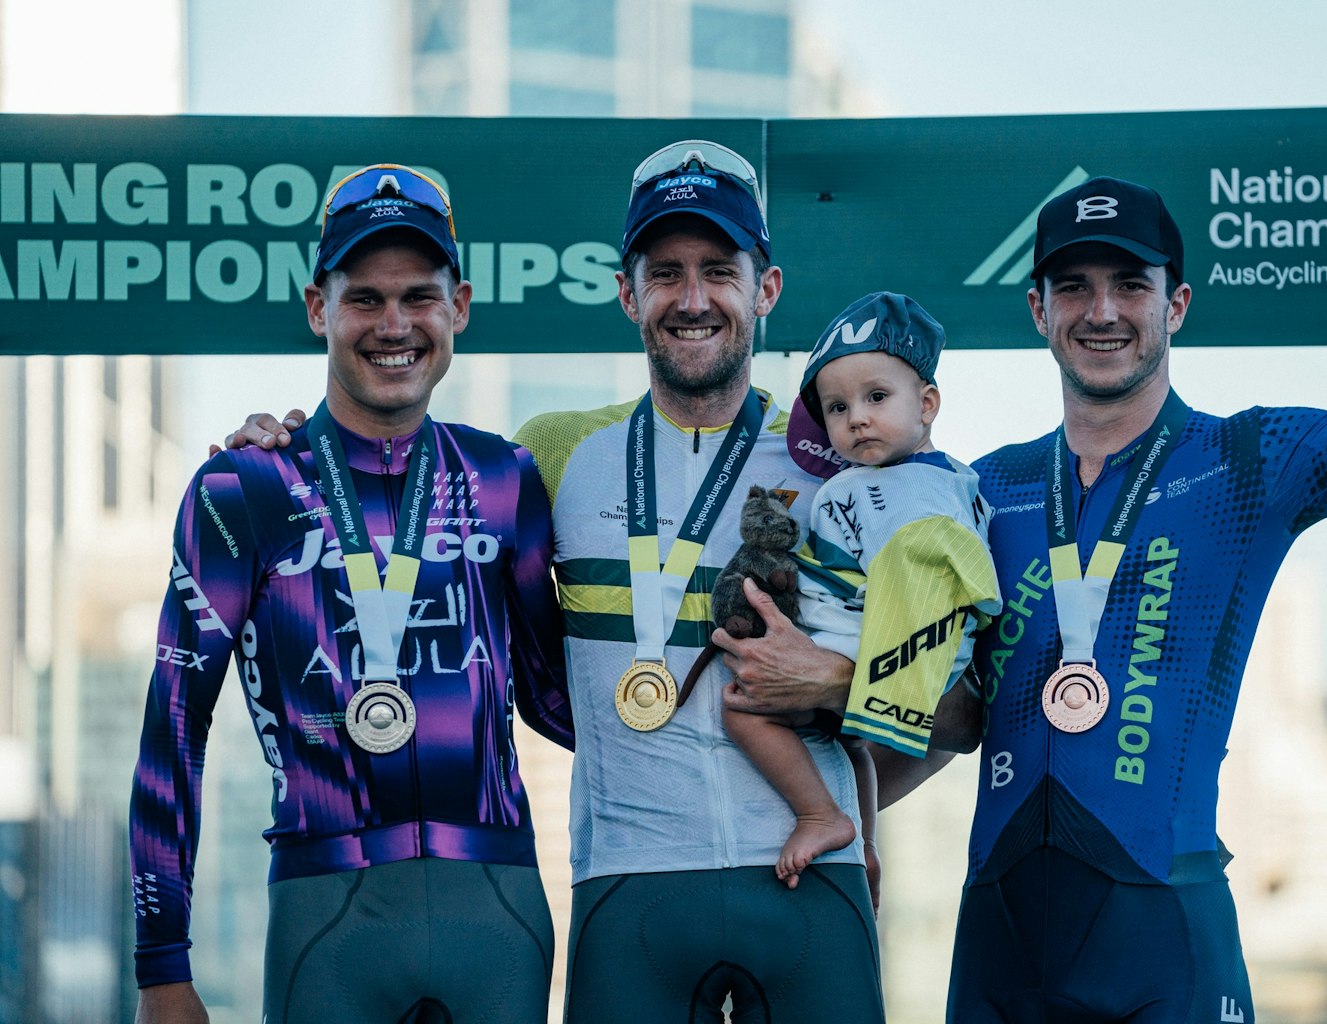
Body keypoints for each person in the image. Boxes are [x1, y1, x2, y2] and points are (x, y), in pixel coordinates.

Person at [223, 142, 888, 1023]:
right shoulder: (554, 454)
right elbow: (418, 497)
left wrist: (843, 697)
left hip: (814, 882)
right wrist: (293, 450)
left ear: (765, 288)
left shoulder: (843, 458)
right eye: (664, 273)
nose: (692, 299)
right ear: (626, 292)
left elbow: (953, 699)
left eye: (719, 271)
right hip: (628, 880)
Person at [937, 109, 1327, 1023]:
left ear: (1175, 305)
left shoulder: (1250, 460)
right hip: (998, 944)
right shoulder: (982, 490)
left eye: (1130, 284)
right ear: (1038, 309)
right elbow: (954, 718)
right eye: (1075, 286)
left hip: (1165, 935)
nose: (1102, 311)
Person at [129, 164, 573, 1024]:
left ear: (461, 307)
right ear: (317, 308)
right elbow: (173, 728)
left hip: (502, 909)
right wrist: (161, 966)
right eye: (364, 298)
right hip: (325, 916)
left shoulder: (504, 476)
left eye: (420, 296)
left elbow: (561, 702)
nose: (395, 324)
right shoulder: (242, 488)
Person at [729, 290, 1001, 897]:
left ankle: (820, 815)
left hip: (869, 646)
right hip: (889, 650)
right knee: (846, 741)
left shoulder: (901, 493)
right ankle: (865, 843)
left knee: (744, 708)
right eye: (836, 406)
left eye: (876, 398)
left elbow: (925, 570)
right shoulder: (950, 481)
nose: (855, 417)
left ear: (927, 403)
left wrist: (865, 670)